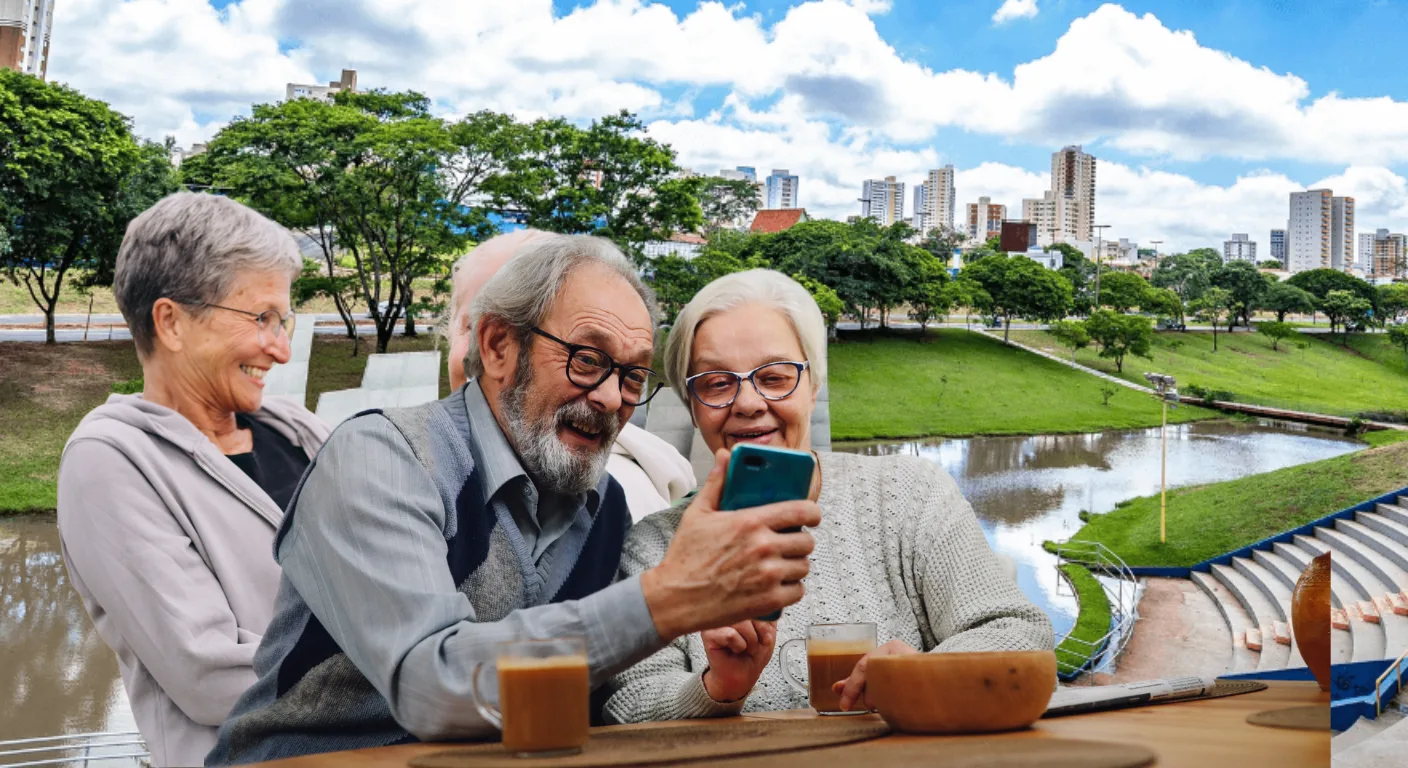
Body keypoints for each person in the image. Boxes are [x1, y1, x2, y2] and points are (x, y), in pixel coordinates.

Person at [207, 234, 820, 765]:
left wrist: (716, 684)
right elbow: (433, 685)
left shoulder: (605, 512)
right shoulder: (381, 458)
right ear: (499, 345)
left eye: (632, 375)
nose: (611, 398)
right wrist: (669, 600)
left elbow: (599, 704)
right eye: (587, 359)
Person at [603, 269, 1054, 723]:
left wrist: (922, 672)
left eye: (775, 377)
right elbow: (626, 707)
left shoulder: (910, 494)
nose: (747, 403)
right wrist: (716, 689)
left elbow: (1017, 629)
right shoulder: (654, 547)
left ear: (813, 385)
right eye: (716, 383)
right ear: (693, 407)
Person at [56, 192, 332, 767]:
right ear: (172, 322)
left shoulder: (301, 430)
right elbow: (208, 674)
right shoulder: (109, 461)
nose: (280, 350)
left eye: (284, 321)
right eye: (261, 318)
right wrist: (411, 665)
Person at [446, 230, 694, 520]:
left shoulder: (615, 498)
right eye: (468, 325)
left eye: (588, 357)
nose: (611, 398)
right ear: (494, 341)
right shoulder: (411, 462)